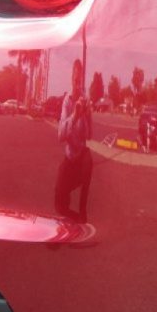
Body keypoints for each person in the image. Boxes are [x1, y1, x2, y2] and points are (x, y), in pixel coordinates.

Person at [54, 59, 92, 222]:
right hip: (70, 157)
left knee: (88, 163)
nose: (77, 84)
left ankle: (83, 212)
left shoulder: (85, 102)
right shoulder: (67, 101)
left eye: (80, 81)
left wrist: (87, 115)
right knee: (59, 205)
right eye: (75, 80)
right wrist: (75, 115)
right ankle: (73, 216)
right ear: (71, 80)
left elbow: (89, 136)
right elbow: (61, 136)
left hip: (81, 156)